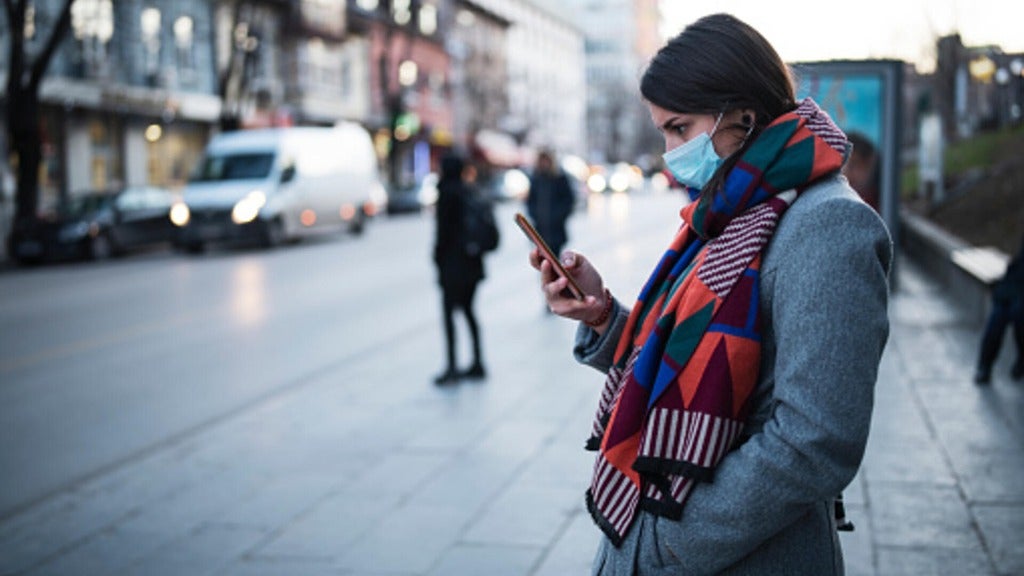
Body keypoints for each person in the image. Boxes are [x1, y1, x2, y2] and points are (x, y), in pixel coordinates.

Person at [527, 13, 892, 575]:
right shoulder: (732, 208)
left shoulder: (826, 225)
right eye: (663, 132)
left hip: (741, 555)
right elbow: (693, 361)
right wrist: (602, 314)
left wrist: (667, 541)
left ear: (743, 119)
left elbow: (816, 440)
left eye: (679, 128)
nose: (670, 152)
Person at [433, 153, 487, 385]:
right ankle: (478, 362)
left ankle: (452, 366)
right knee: (468, 311)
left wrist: (437, 258)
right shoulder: (470, 191)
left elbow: (443, 233)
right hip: (472, 264)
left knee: (448, 315)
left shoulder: (446, 193)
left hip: (452, 265)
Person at [973, 233, 1024, 384]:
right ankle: (985, 367)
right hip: (1013, 289)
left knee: (1018, 313)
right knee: (997, 319)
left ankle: (1022, 359)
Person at [526, 149, 576, 265]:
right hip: (540, 230)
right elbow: (530, 202)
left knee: (555, 262)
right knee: (543, 264)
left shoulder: (559, 179)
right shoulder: (535, 179)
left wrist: (558, 216)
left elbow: (568, 200)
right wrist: (535, 215)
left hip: (556, 230)